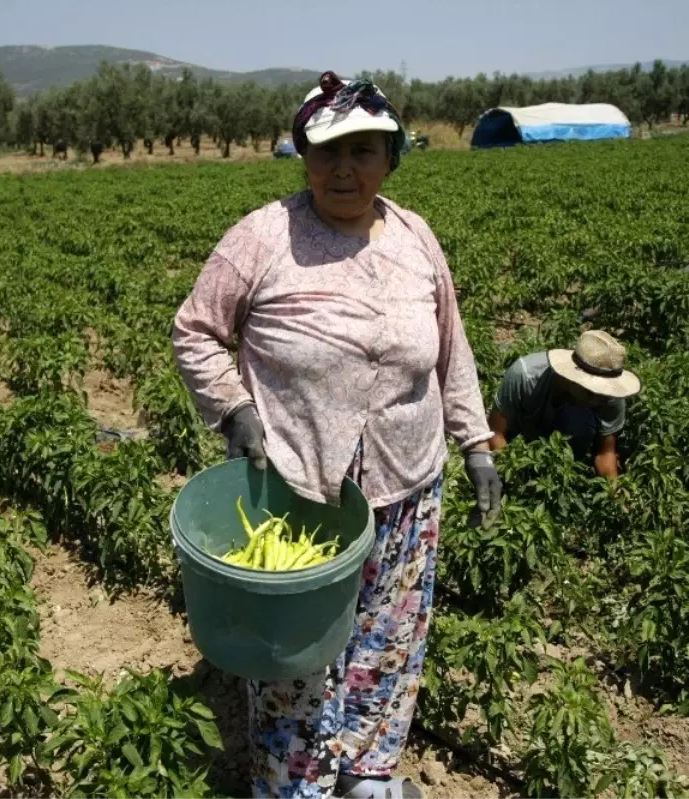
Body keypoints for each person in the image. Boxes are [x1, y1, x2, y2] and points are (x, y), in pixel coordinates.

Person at [171, 71, 499, 799]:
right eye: (327, 153)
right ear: (304, 157)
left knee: (389, 637)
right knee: (299, 653)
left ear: (390, 157)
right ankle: (296, 785)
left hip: (407, 483)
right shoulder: (264, 236)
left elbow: (452, 348)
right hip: (303, 488)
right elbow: (195, 331)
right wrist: (233, 407)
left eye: (362, 150)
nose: (344, 168)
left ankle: (367, 776)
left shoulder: (416, 237)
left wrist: (474, 441)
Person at [489, 330, 642, 479]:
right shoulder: (525, 376)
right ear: (572, 377)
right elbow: (496, 432)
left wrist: (613, 498)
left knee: (578, 419)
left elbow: (605, 453)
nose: (597, 399)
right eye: (591, 392)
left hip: (569, 460)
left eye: (601, 394)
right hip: (520, 447)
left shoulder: (610, 394)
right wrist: (515, 479)